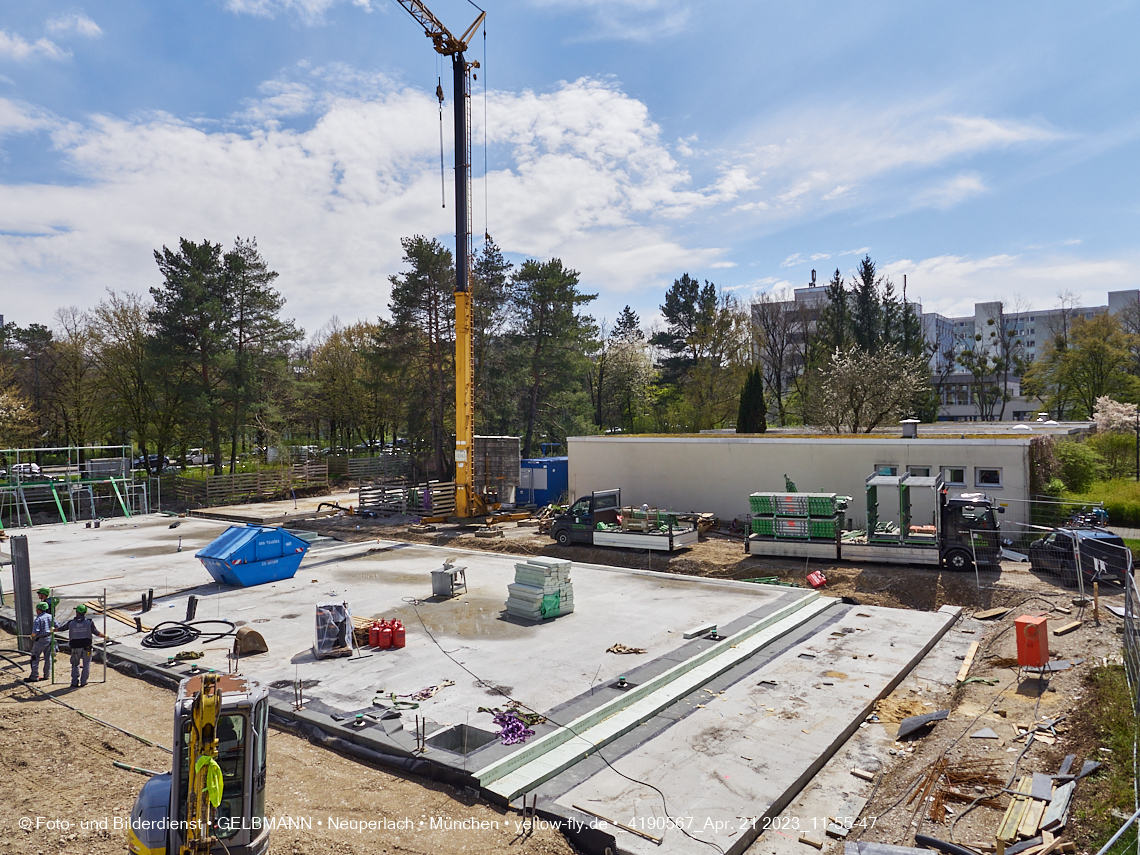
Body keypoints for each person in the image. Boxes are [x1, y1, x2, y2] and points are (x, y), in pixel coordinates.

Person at [55, 604, 103, 688]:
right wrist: (105, 636)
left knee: (75, 663)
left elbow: (62, 628)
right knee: (86, 664)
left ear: (77, 612)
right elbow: (97, 633)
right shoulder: (89, 622)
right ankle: (84, 681)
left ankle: (74, 682)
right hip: (87, 646)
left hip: (75, 646)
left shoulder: (71, 623)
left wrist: (53, 630)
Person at [26, 602, 53, 682]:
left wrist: (32, 636)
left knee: (35, 657)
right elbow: (56, 626)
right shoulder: (50, 616)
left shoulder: (38, 619)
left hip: (40, 640)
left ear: (39, 610)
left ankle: (34, 676)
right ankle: (47, 675)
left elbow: (35, 632)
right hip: (49, 639)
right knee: (48, 658)